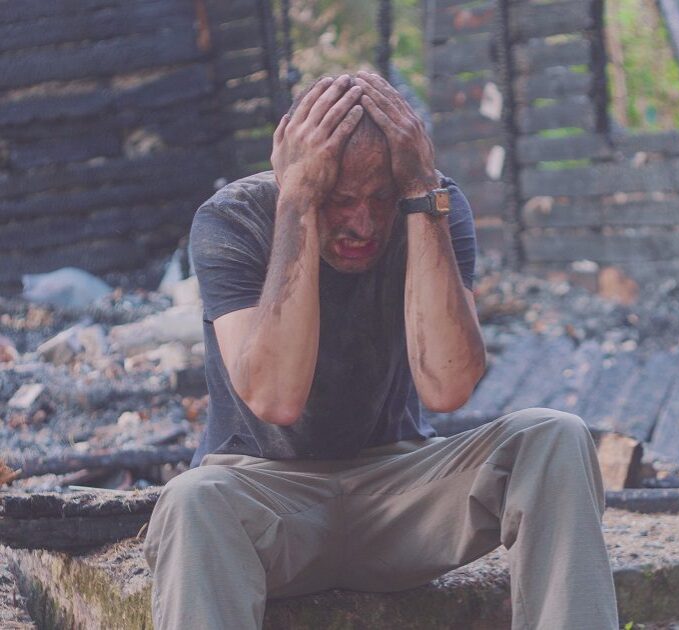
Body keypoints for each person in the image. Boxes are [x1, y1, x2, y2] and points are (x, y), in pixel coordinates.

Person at [142, 70, 619, 630]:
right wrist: (296, 202)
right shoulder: (235, 216)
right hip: (267, 506)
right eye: (339, 200)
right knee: (191, 500)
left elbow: (447, 386)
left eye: (381, 198)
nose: (362, 224)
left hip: (399, 494)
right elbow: (274, 398)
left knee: (554, 436)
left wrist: (419, 195)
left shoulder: (432, 205)